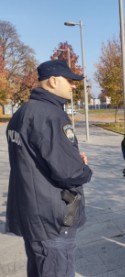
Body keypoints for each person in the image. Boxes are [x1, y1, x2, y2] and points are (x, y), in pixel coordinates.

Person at [6, 60, 93, 277]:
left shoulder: (21, 113)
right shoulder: (51, 115)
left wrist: (68, 157)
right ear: (53, 81)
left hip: (32, 212)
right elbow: (69, 173)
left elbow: (36, 158)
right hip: (51, 216)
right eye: (70, 81)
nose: (74, 86)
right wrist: (83, 168)